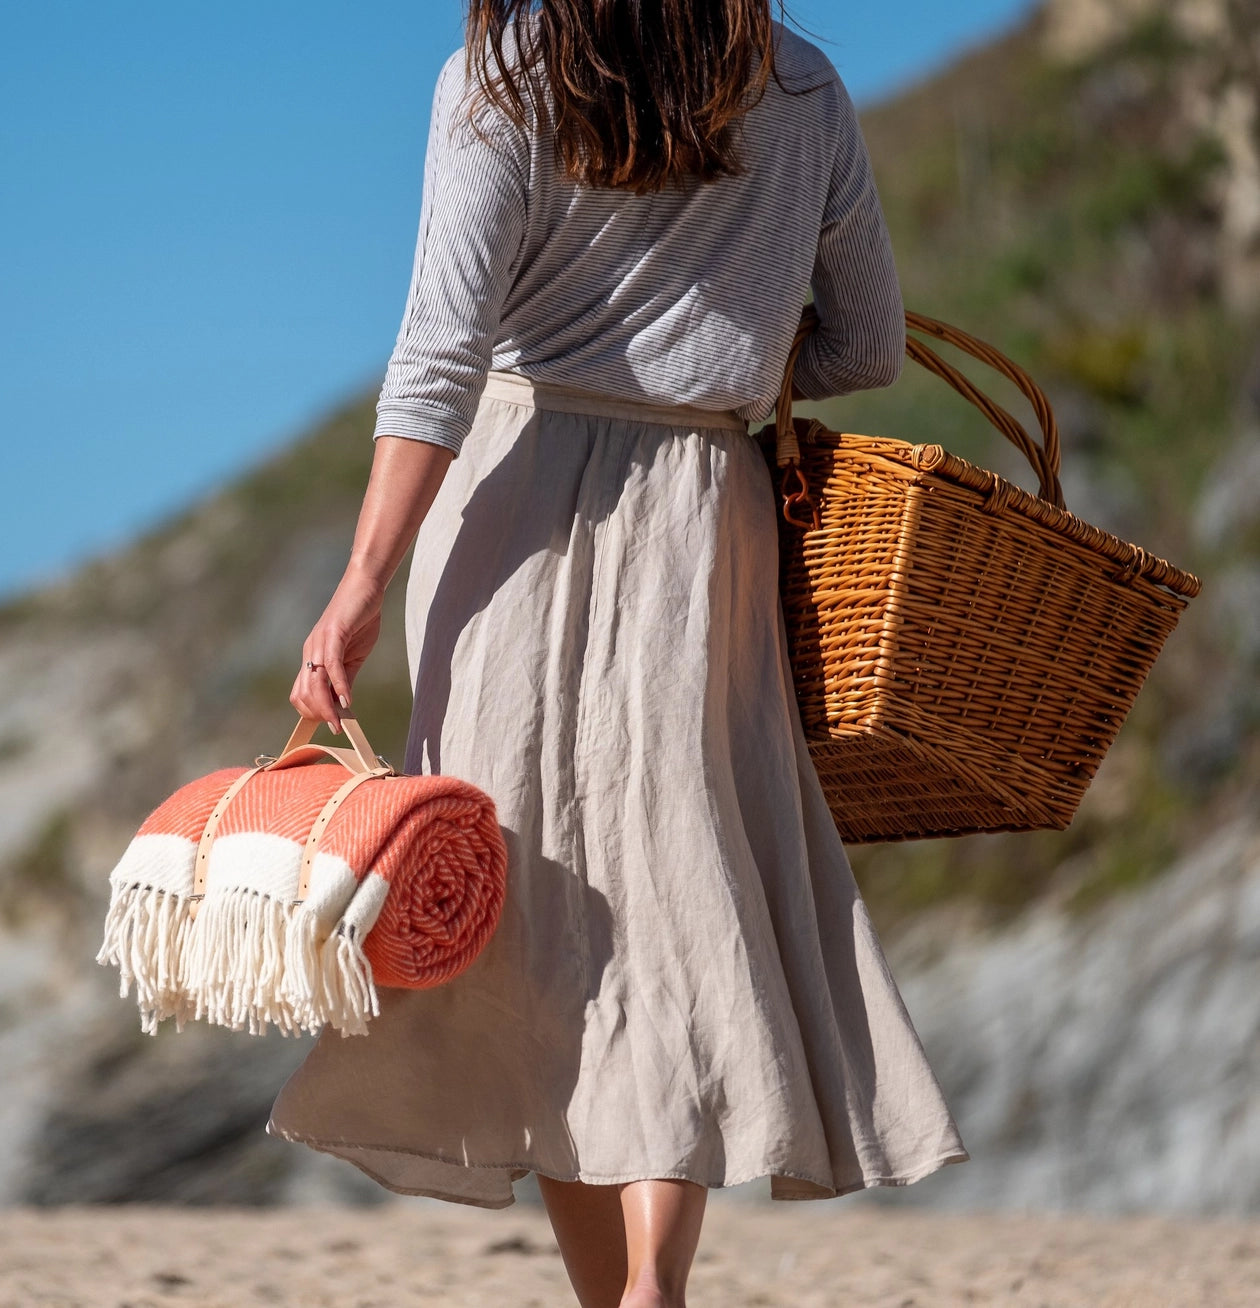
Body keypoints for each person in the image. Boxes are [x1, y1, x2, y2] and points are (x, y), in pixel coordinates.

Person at [272, 2, 968, 1304]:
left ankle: (621, 1298)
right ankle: (650, 1288)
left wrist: (359, 585)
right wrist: (739, 364)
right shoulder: (798, 81)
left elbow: (441, 347)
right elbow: (870, 342)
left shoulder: (505, 75)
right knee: (683, 902)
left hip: (512, 509)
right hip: (710, 519)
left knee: (528, 919)